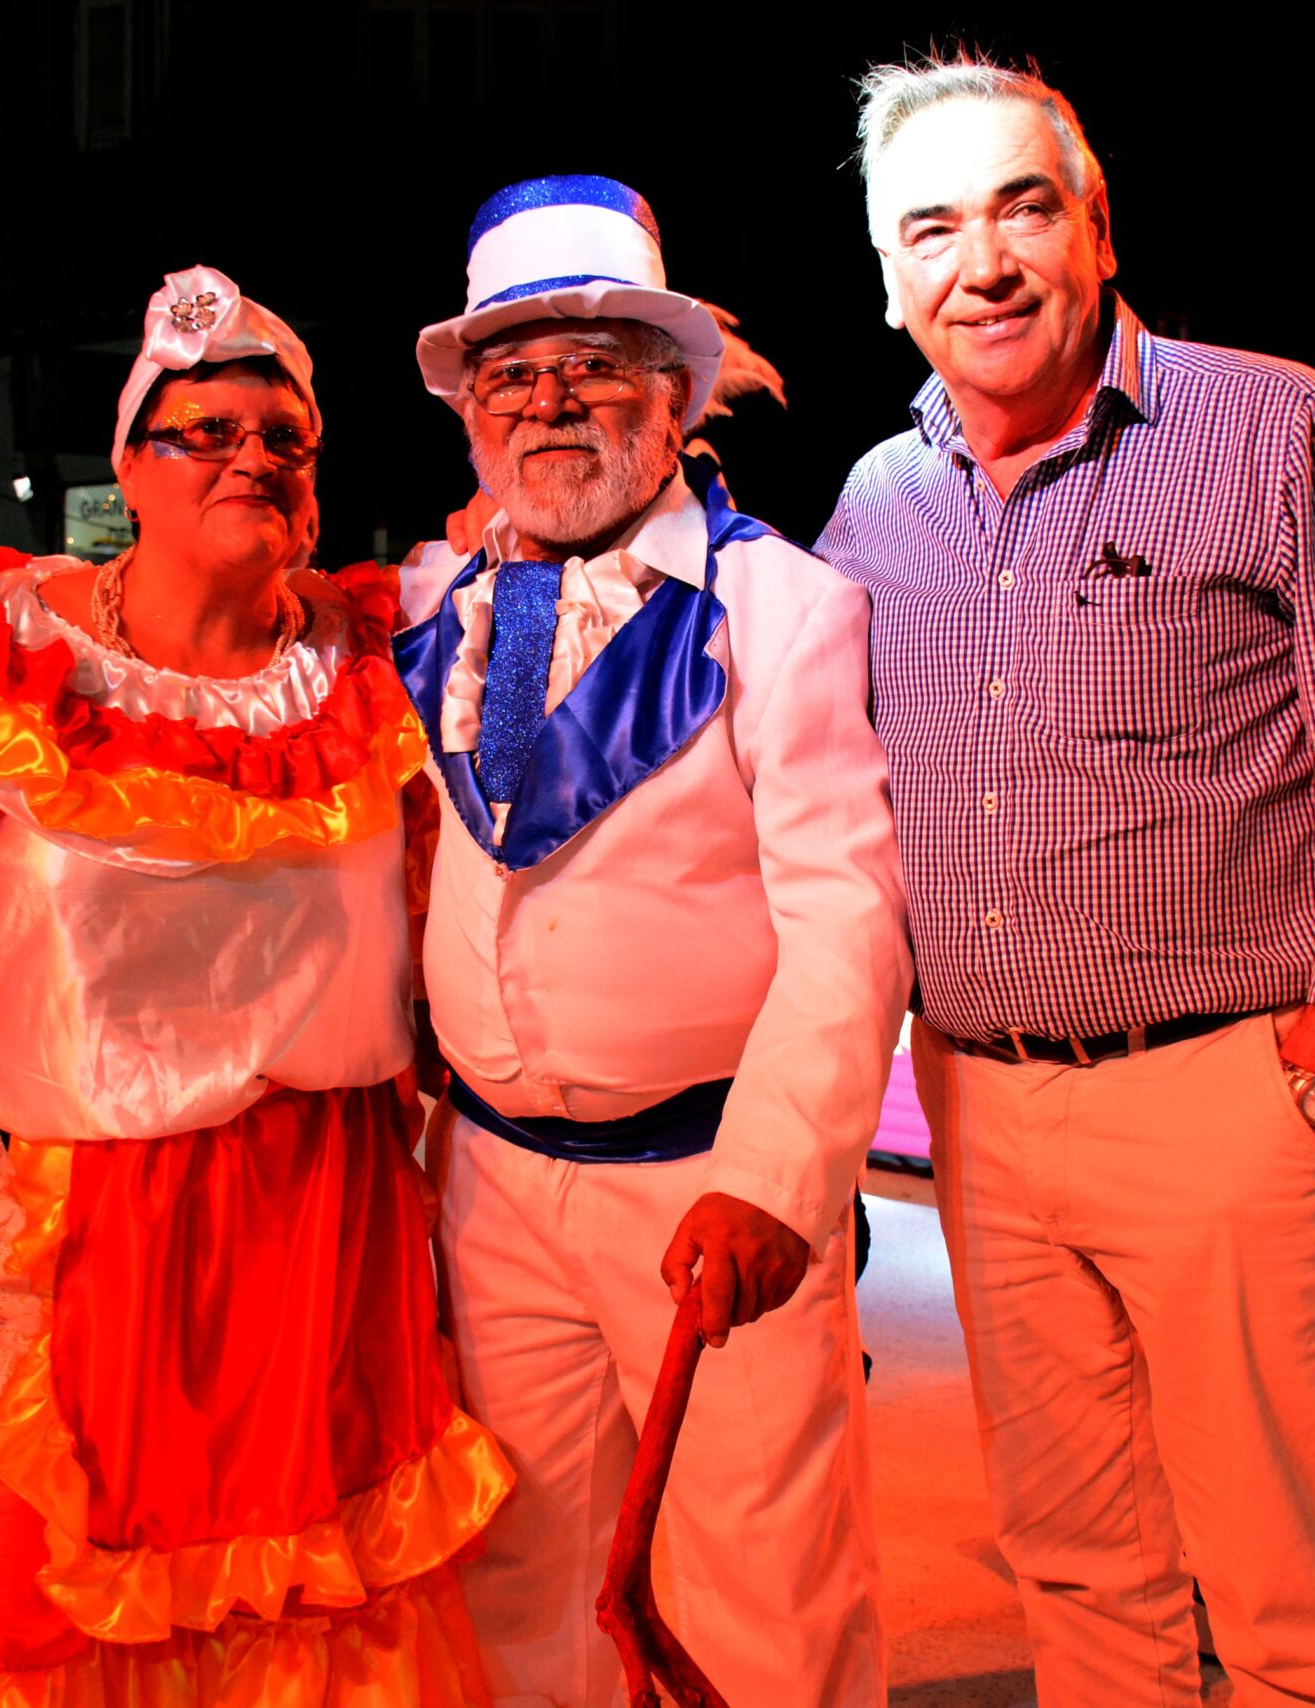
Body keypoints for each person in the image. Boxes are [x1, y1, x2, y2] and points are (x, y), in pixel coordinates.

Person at [0, 267, 508, 1704]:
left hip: (319, 1234)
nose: (252, 454)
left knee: (290, 1605)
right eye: (206, 430)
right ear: (130, 462)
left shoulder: (378, 662)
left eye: (285, 435)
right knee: (31, 1616)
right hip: (53, 1236)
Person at [814, 59, 1315, 1705]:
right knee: (1073, 1558)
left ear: (1096, 226)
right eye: (932, 227)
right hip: (976, 1107)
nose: (979, 261)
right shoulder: (873, 505)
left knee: (1283, 1578)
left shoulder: (1276, 424)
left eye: (1017, 208)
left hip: (1226, 1087)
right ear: (891, 279)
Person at [397, 177, 909, 1706]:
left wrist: (775, 1180)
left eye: (596, 362)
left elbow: (846, 911)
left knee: (765, 1598)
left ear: (679, 395)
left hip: (707, 1193)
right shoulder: (435, 600)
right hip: (484, 1183)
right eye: (513, 370)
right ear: (473, 414)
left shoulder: (786, 607)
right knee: (519, 1584)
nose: (551, 399)